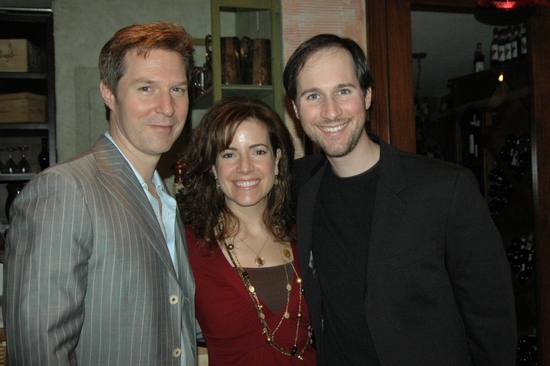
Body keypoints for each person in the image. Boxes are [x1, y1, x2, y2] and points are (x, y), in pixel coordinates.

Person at [283, 33, 517, 365]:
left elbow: (492, 321)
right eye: (313, 96)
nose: (330, 111)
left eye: (343, 91)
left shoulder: (446, 189)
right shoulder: (299, 183)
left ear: (367, 95)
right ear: (295, 108)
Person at [3, 21, 198, 365]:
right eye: (146, 88)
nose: (167, 107)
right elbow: (40, 350)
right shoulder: (65, 190)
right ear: (108, 93)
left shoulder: (164, 197)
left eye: (178, 90)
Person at [181, 97, 316, 365]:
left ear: (277, 160)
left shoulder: (308, 236)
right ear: (212, 167)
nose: (245, 167)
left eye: (258, 151)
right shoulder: (187, 245)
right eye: (229, 154)